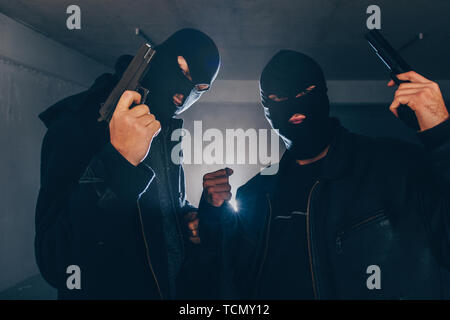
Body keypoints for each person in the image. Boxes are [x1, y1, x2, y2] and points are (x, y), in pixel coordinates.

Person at [198, 50, 450, 299]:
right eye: (277, 98)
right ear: (266, 110)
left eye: (305, 93)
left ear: (323, 94)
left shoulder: (392, 165)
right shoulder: (254, 195)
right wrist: (211, 213)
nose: (294, 106)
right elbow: (226, 280)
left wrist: (442, 136)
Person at [35, 28, 220, 299]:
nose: (186, 92)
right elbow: (56, 263)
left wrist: (187, 218)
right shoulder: (77, 126)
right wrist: (119, 160)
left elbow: (159, 212)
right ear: (160, 57)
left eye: (201, 88)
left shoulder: (165, 130)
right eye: (183, 70)